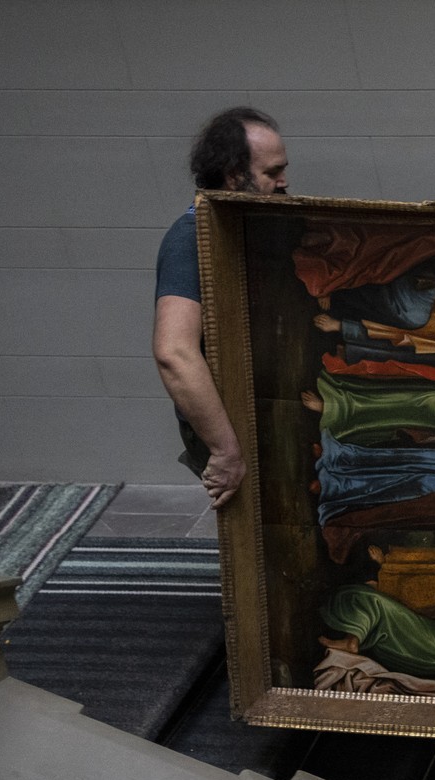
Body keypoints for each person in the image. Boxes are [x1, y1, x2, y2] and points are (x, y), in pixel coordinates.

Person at [153, 107, 288, 509]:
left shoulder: (246, 225)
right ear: (234, 176)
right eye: (272, 173)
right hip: (230, 421)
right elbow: (173, 353)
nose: (284, 182)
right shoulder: (191, 239)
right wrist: (226, 451)